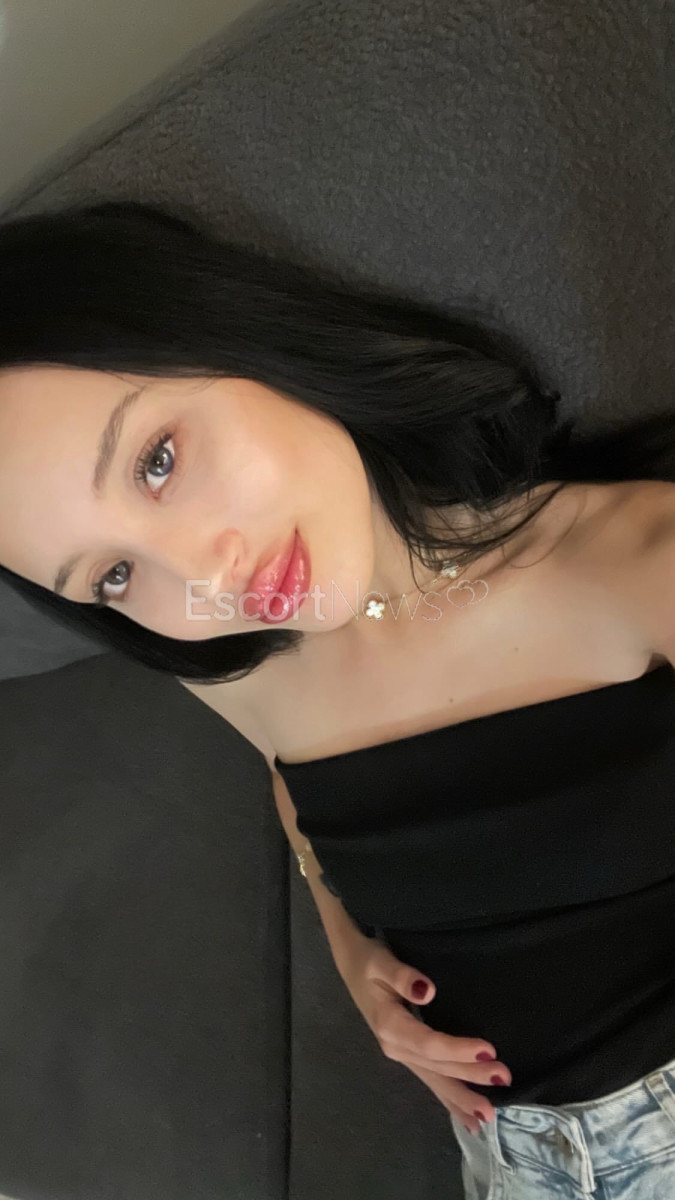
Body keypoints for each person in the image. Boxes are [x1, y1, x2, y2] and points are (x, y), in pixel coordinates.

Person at [1, 198, 674, 1198]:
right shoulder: (238, 667)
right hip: (510, 1161)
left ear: (238, 332)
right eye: (113, 575)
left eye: (157, 460)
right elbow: (296, 780)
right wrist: (352, 948)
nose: (204, 577)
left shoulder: (641, 565)